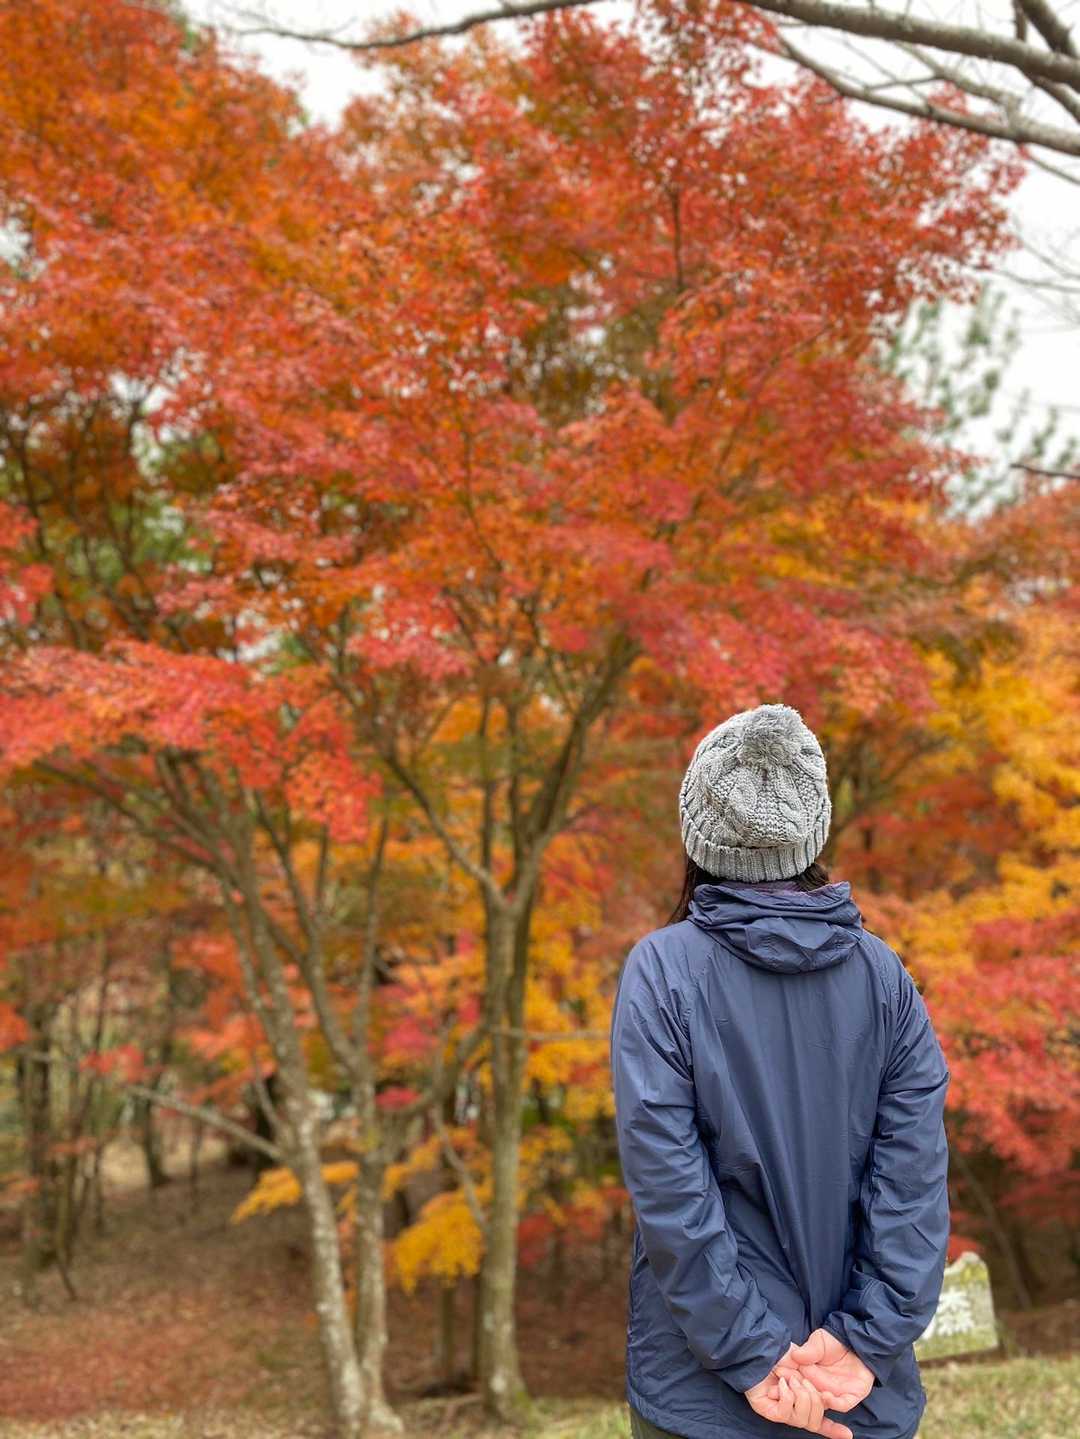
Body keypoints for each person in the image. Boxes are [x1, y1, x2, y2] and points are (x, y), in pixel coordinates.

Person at [610, 703, 951, 1439]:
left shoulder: (661, 971)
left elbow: (672, 1190)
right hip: (857, 1391)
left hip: (702, 1390)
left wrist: (755, 1352)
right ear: (813, 827)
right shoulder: (884, 977)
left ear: (698, 831)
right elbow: (913, 1185)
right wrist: (866, 1341)